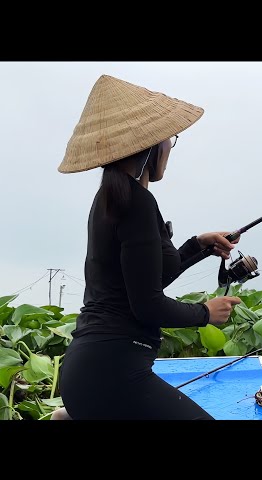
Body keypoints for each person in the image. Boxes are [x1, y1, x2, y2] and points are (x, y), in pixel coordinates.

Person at [57, 74, 242, 420]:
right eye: (169, 140)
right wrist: (205, 313)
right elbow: (147, 304)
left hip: (90, 369)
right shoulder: (137, 203)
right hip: (113, 372)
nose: (170, 148)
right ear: (151, 146)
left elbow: (152, 276)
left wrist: (197, 246)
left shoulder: (111, 200)